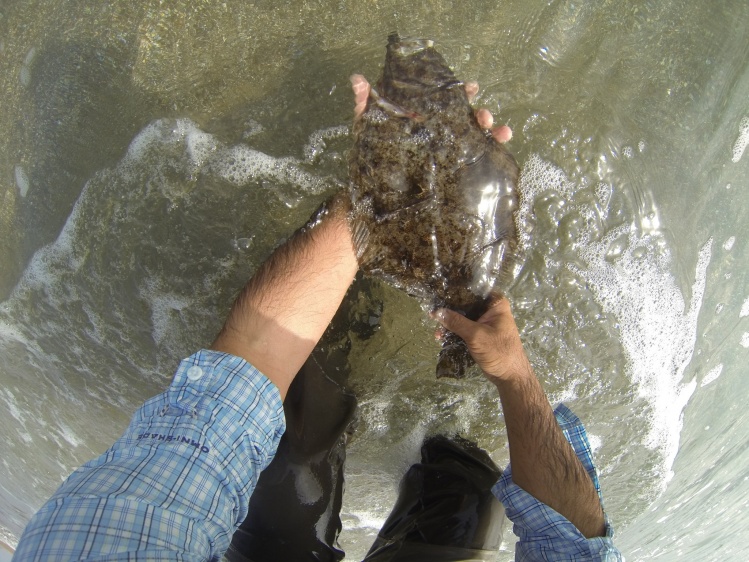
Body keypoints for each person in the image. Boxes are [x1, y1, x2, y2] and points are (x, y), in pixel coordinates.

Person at [12, 77, 621, 561]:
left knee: (285, 444)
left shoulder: (116, 545)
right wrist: (513, 373)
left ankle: (334, 338)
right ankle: (437, 428)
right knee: (466, 490)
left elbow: (218, 409)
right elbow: (573, 541)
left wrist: (374, 199)